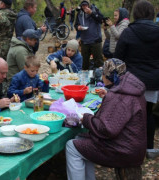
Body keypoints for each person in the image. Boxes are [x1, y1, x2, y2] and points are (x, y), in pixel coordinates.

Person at [66, 59, 147, 180]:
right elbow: (119, 114)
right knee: (79, 140)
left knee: (71, 146)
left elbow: (107, 129)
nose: (101, 76)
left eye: (102, 73)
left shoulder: (118, 97)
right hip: (132, 145)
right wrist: (108, 96)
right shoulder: (130, 89)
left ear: (108, 76)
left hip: (123, 151)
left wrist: (86, 119)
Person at [114, 0, 159, 159]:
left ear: (135, 13)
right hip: (153, 81)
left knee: (129, 112)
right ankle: (148, 148)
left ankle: (127, 145)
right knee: (147, 112)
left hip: (132, 80)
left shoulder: (129, 31)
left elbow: (118, 57)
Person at [75, 0, 104, 70]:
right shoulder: (79, 13)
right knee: (84, 64)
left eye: (86, 5)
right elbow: (76, 24)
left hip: (96, 41)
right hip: (84, 41)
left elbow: (101, 20)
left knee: (98, 63)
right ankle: (85, 79)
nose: (84, 6)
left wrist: (91, 13)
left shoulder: (95, 9)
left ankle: (99, 79)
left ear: (89, 3)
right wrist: (78, 27)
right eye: (83, 5)